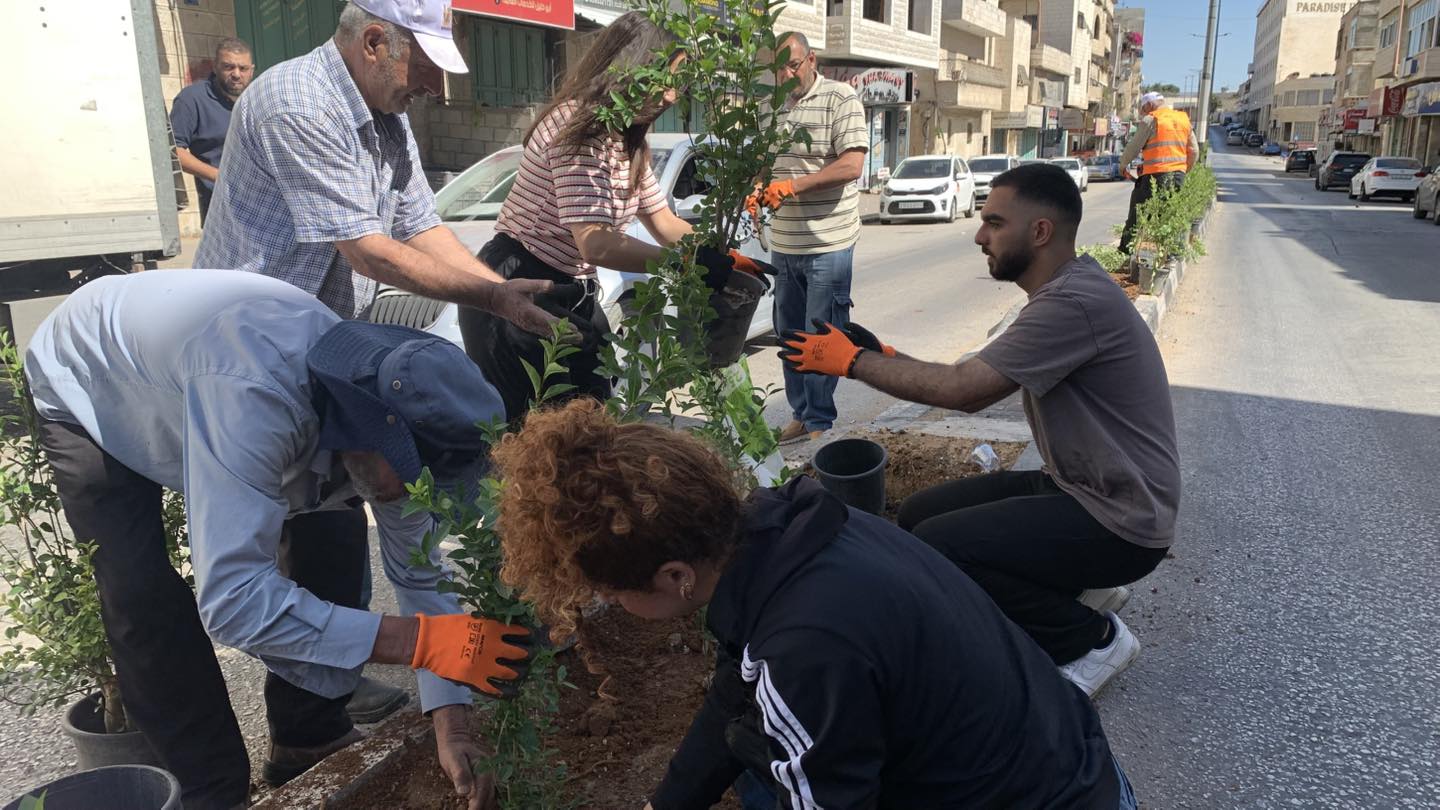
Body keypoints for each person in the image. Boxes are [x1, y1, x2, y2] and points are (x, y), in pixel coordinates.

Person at [25, 270, 534, 810]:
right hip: (92, 378)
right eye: (413, 476)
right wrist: (417, 641)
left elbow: (418, 572)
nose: (420, 495)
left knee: (333, 544)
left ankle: (305, 738)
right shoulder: (254, 398)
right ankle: (211, 793)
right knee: (140, 595)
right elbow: (234, 602)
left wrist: (451, 720)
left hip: (196, 378)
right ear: (367, 427)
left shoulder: (385, 405)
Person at [490, 399, 1137, 809]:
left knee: (770, 770)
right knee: (755, 750)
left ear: (675, 576)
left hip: (1050, 795)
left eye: (610, 594)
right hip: (1068, 763)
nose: (610, 605)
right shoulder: (786, 530)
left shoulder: (803, 648)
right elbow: (732, 691)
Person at [779, 164, 1180, 698]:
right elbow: (977, 376)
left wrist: (852, 363)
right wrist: (884, 356)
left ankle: (1091, 640)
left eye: (994, 222)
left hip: (1121, 519)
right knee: (921, 515)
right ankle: (1075, 592)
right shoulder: (1069, 289)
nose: (979, 235)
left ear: (1039, 232)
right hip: (1087, 489)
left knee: (945, 546)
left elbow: (964, 391)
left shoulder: (1072, 304)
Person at [459, 11, 765, 420]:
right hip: (520, 282)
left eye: (678, 84)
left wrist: (718, 255)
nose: (672, 96)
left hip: (570, 287)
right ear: (629, 69)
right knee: (543, 437)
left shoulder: (627, 139)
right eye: (664, 79)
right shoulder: (577, 128)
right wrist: (682, 263)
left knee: (591, 414)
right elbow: (596, 241)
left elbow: (662, 221)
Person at [193, 0, 553, 334]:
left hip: (316, 332)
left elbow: (420, 226)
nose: (432, 86)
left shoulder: (387, 114)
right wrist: (491, 299)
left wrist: (503, 292)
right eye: (426, 66)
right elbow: (367, 252)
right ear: (373, 43)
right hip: (248, 333)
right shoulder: (299, 104)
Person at [750, 31, 867, 445]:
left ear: (811, 60)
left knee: (822, 337)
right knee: (789, 335)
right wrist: (757, 185)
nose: (785, 75)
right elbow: (764, 165)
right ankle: (802, 414)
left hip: (828, 243)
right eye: (777, 69)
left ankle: (820, 422)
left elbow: (852, 165)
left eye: (792, 65)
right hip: (785, 243)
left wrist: (794, 186)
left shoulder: (841, 99)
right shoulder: (769, 109)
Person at [170, 38, 254, 224]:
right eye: (228, 67)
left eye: (243, 68)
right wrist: (219, 176)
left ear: (252, 70)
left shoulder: (257, 98)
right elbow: (174, 151)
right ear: (215, 67)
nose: (236, 74)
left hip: (261, 203)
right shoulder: (192, 99)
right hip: (221, 210)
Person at [1118, 91, 1198, 254]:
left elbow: (1133, 147)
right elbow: (1194, 151)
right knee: (1170, 214)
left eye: (1143, 109)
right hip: (1178, 176)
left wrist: (1123, 165)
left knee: (1138, 213)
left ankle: (1126, 252)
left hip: (1156, 177)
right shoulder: (1183, 119)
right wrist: (1183, 170)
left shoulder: (1152, 119)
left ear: (1149, 104)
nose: (1144, 113)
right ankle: (1172, 253)